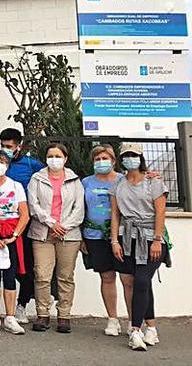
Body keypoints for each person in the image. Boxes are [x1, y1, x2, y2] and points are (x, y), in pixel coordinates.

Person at [110, 143, 169, 351]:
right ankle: (151, 328)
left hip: (150, 238)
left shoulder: (153, 182)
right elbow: (115, 214)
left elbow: (160, 212)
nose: (129, 159)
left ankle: (135, 329)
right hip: (128, 239)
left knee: (143, 280)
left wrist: (157, 239)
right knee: (139, 283)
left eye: (133, 155)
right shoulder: (119, 184)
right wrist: (114, 241)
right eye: (126, 155)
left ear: (140, 157)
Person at [0, 127, 45, 324]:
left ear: (19, 146)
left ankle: (21, 306)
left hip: (21, 226)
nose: (5, 150)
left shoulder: (32, 164)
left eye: (9, 147)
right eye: (2, 146)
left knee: (23, 268)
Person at [26, 143, 84, 333]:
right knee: (42, 275)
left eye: (58, 156)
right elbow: (33, 205)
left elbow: (79, 209)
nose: (54, 159)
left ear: (65, 159)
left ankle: (64, 316)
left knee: (65, 276)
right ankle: (42, 315)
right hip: (42, 234)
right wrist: (51, 223)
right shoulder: (37, 178)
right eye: (51, 156)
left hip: (69, 235)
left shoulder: (74, 180)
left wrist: (63, 226)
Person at [81, 145, 133, 336]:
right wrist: (81, 238)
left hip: (122, 235)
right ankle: (112, 320)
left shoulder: (123, 179)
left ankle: (133, 321)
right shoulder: (86, 182)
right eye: (97, 159)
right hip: (94, 235)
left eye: (105, 158)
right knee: (107, 277)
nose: (101, 162)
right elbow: (81, 210)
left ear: (113, 161)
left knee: (128, 278)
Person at [0, 150, 29, 335]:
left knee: (10, 276)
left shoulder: (16, 186)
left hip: (12, 234)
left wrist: (15, 235)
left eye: (1, 161)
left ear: (8, 165)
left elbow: (24, 214)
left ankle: (10, 317)